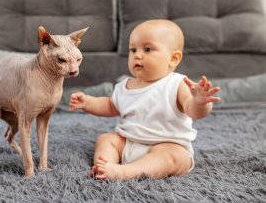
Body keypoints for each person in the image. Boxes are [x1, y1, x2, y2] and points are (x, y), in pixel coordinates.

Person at [69, 19, 221, 180]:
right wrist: (87, 103)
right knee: (106, 139)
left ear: (173, 58)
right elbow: (111, 106)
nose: (137, 55)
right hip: (129, 142)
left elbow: (193, 111)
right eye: (133, 50)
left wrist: (199, 102)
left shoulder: (177, 83)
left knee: (171, 157)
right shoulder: (124, 86)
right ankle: (106, 165)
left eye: (147, 49)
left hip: (167, 145)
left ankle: (125, 172)